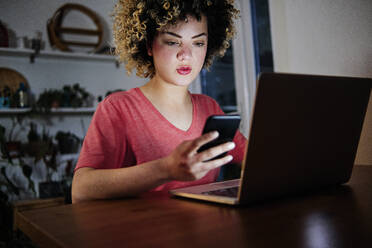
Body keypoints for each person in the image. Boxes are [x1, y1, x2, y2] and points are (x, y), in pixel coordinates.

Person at [71, 0, 246, 203]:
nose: (186, 55)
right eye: (172, 42)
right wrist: (165, 169)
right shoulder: (118, 108)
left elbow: (254, 158)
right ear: (149, 45)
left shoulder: (209, 107)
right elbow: (80, 191)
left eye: (198, 43)